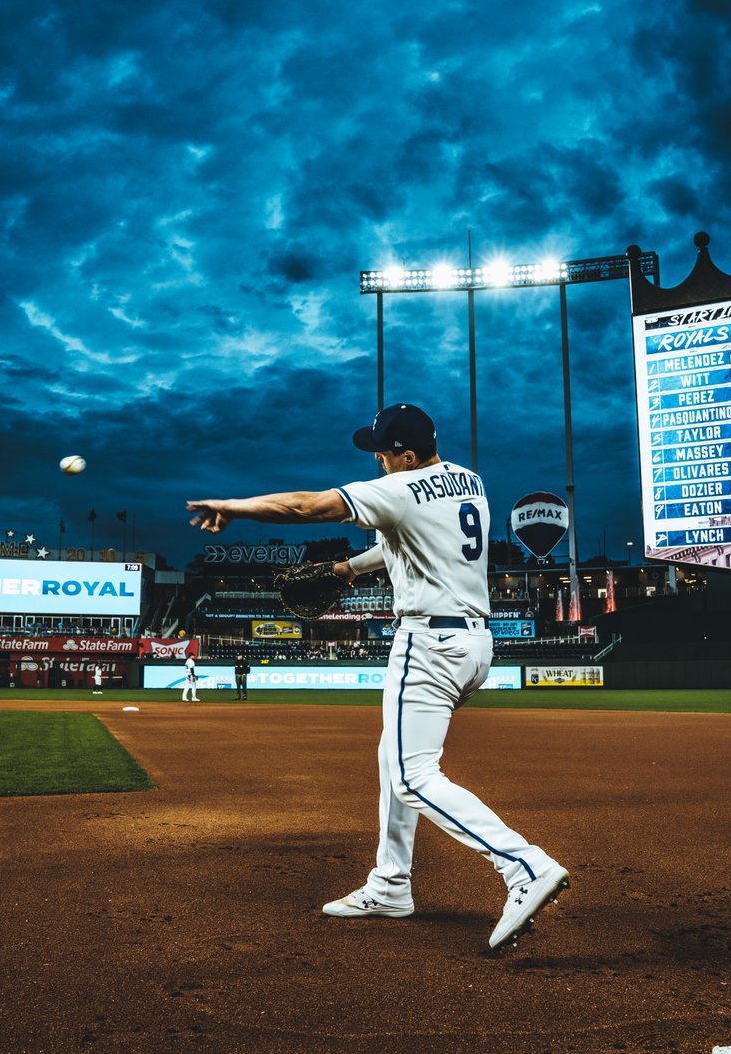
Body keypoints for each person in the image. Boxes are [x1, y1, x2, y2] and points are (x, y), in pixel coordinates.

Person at [188, 402, 569, 950]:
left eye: (383, 455)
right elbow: (410, 539)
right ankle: (391, 884)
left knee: (413, 775)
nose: (378, 464)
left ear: (407, 456)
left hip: (428, 642)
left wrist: (233, 506)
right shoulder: (469, 481)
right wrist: (347, 569)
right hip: (475, 643)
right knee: (395, 760)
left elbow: (306, 507)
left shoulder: (401, 488)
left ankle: (523, 865)